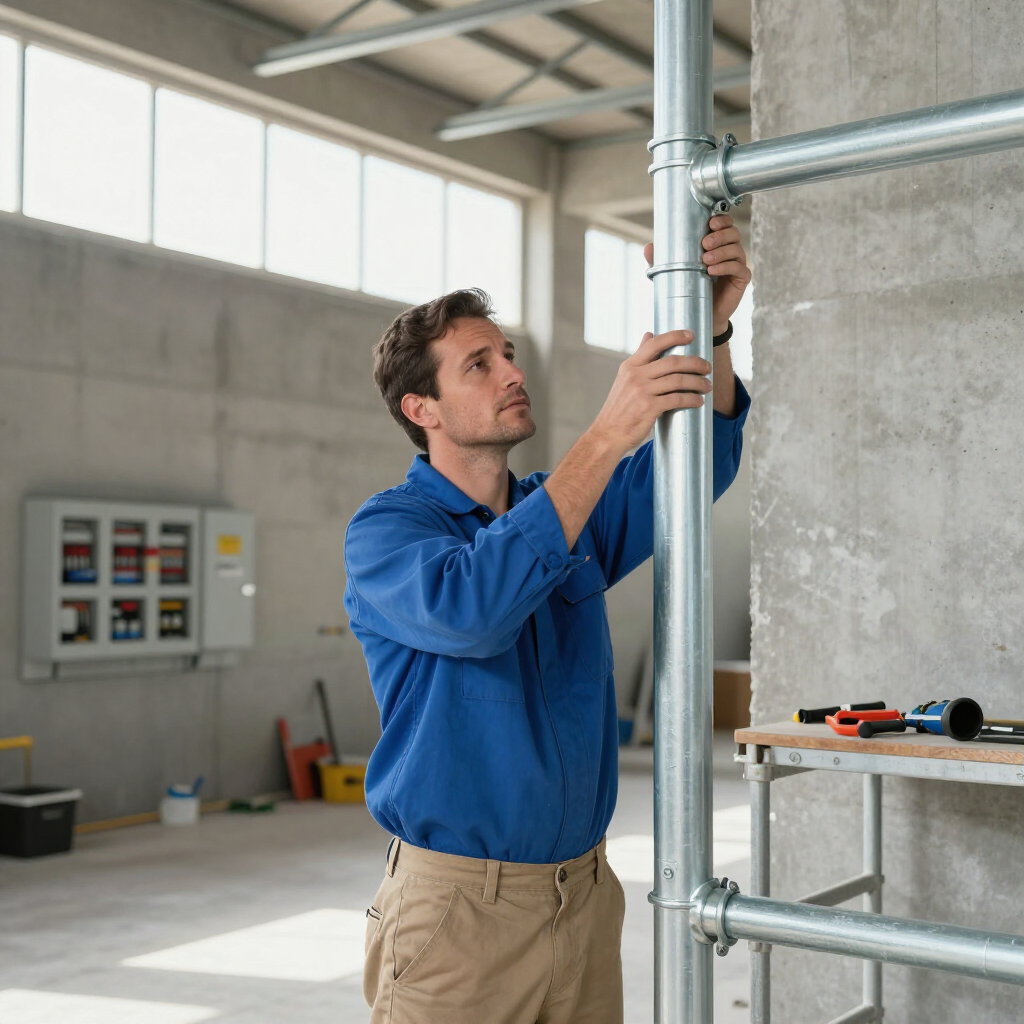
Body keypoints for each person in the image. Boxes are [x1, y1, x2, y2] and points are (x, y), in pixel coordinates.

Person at [345, 214, 751, 1024]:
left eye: (508, 355)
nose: (509, 373)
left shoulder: (559, 513)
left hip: (584, 898)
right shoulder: (388, 532)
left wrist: (713, 328)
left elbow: (699, 462)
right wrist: (607, 433)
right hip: (458, 914)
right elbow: (474, 611)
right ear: (421, 408)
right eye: (479, 364)